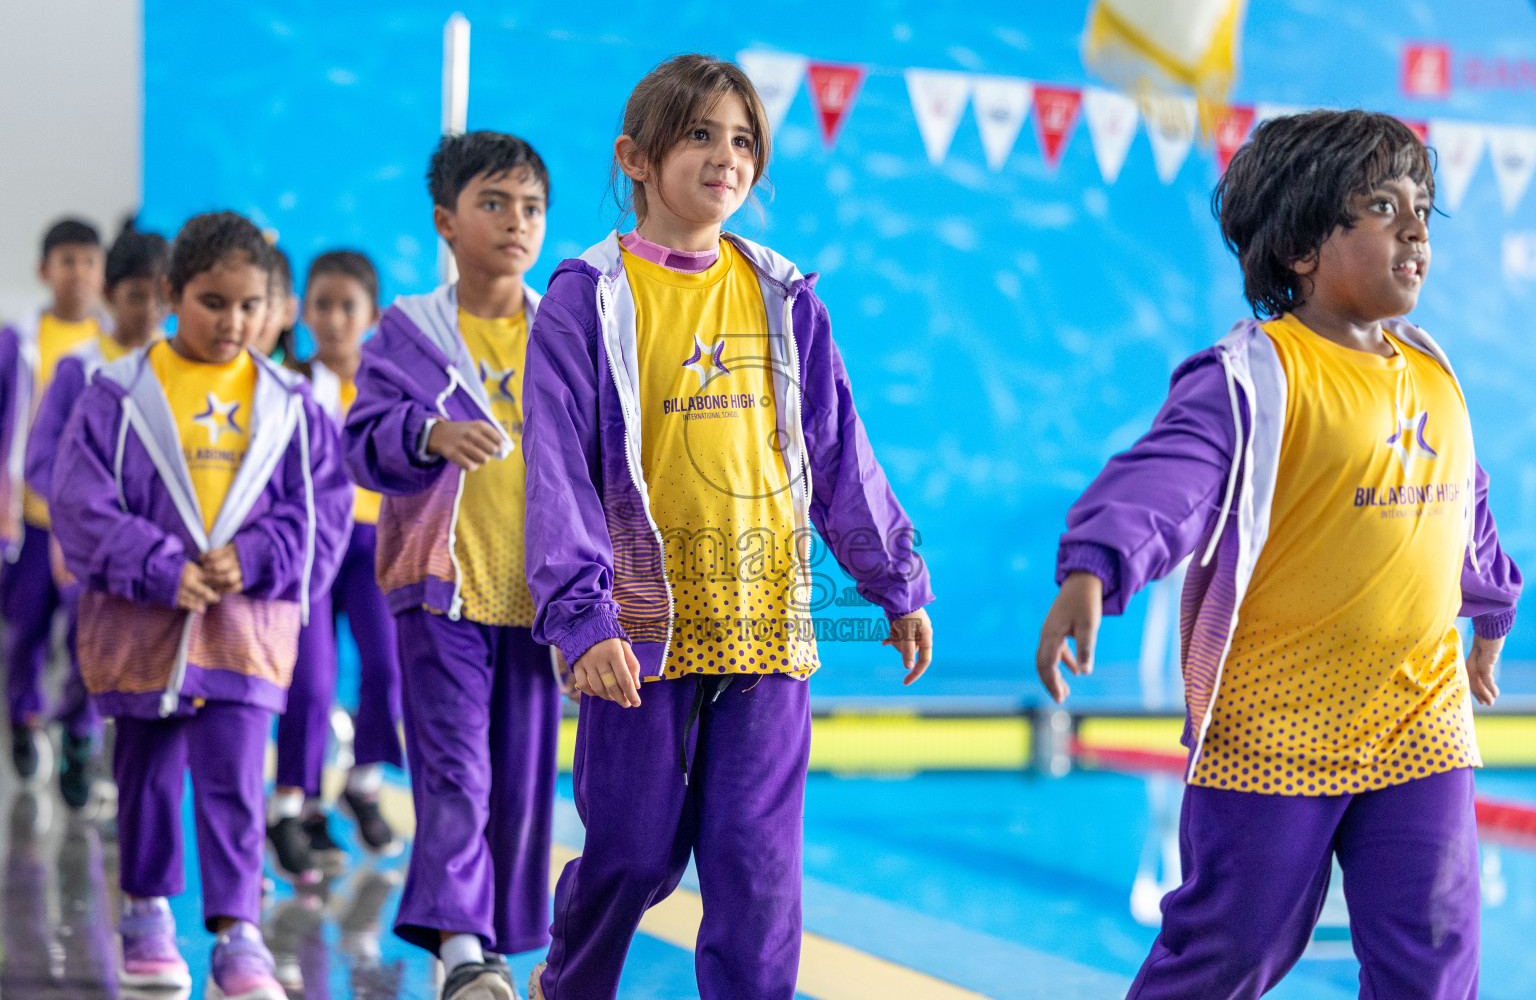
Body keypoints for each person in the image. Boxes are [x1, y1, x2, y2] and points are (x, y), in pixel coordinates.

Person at [1036, 110, 1522, 1000]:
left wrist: (1488, 606)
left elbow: (1464, 500)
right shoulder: (1258, 374)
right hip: (1276, 722)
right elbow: (1169, 480)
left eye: (1422, 205)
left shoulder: (1433, 372)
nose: (1416, 227)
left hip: (1419, 719)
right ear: (1302, 248)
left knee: (1435, 952)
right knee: (1230, 949)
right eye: (1381, 206)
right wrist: (1094, 566)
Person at [522, 54, 935, 1000]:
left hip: (767, 629)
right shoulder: (588, 299)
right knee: (630, 856)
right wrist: (581, 621)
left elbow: (837, 454)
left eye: (743, 138)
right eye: (701, 134)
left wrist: (895, 582)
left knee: (755, 870)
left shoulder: (784, 295)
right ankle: (568, 984)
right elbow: (557, 475)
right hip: (637, 631)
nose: (726, 156)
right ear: (635, 156)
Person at [50, 211, 352, 999]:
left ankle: (237, 930)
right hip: (141, 625)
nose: (234, 322)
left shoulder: (291, 404)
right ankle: (146, 909)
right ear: (173, 293)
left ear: (272, 307)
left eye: (251, 306)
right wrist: (156, 566)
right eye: (214, 302)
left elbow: (320, 511)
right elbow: (81, 503)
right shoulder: (115, 393)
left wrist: (253, 559)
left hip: (245, 628)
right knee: (146, 771)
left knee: (235, 778)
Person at [343, 131, 561, 1000]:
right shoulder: (409, 332)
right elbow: (361, 444)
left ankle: (496, 946)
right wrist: (426, 435)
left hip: (540, 601)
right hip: (442, 593)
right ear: (447, 220)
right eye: (495, 203)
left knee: (519, 781)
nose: (517, 222)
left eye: (533, 206)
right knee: (456, 773)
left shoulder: (565, 332)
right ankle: (461, 946)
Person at [23, 217, 170, 808]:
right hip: (90, 543)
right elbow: (44, 458)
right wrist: (68, 531)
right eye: (138, 295)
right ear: (111, 296)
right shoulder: (82, 367)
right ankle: (76, 736)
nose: (152, 309)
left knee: (145, 660)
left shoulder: (180, 369)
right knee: (90, 647)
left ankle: (127, 773)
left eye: (164, 295)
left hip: (156, 547)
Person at [269, 250, 404, 878]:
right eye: (320, 304)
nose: (332, 319)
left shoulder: (392, 382)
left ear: (372, 315)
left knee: (386, 667)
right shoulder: (289, 386)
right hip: (308, 546)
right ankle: (291, 805)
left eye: (347, 305)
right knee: (313, 682)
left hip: (373, 545)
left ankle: (363, 783)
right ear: (301, 310)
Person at [0, 217, 108, 783]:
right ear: (45, 270)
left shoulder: (113, 349)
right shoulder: (18, 341)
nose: (79, 274)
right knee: (24, 631)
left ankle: (79, 733)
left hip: (84, 527)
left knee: (89, 632)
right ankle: (22, 719)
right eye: (67, 262)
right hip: (29, 521)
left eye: (90, 262)